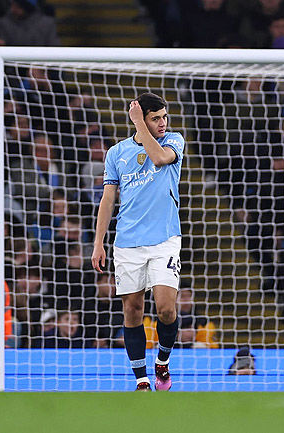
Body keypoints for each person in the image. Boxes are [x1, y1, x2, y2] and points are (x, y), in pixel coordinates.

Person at [91, 92, 185, 391]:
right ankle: (142, 380)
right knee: (132, 310)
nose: (162, 122)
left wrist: (139, 124)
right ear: (142, 118)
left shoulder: (173, 141)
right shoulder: (117, 153)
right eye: (155, 118)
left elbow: (158, 158)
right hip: (128, 242)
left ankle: (163, 361)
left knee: (166, 309)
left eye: (164, 117)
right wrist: (98, 243)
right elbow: (108, 200)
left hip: (165, 239)